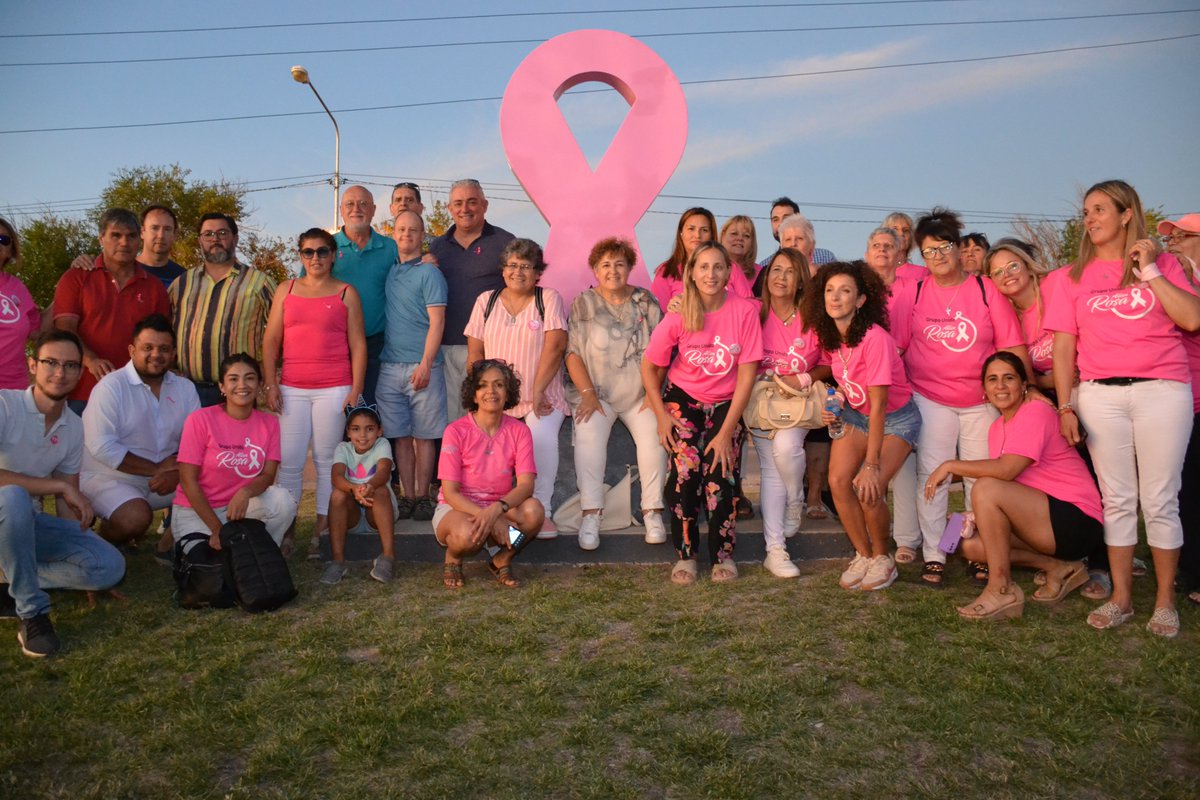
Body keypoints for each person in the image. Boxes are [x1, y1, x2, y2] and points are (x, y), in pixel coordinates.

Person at [1046, 180, 1200, 637]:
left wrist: (1148, 269)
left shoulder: (1166, 263)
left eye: (1099, 209)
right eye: (1087, 211)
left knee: (1159, 500)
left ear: (1126, 213)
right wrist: (1065, 406)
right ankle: (1122, 599)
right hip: (1099, 396)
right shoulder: (1072, 276)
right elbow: (1062, 349)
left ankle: (1165, 601)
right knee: (1117, 500)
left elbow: (1191, 319)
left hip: (1162, 391)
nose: (1089, 218)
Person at [925, 353, 1104, 620]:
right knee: (969, 545)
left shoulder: (1036, 411)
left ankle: (1001, 589)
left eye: (1009, 378)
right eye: (992, 380)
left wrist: (951, 466)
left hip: (1075, 520)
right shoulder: (997, 427)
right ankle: (1059, 568)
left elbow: (1005, 470)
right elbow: (1007, 474)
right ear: (984, 390)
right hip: (1040, 519)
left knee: (985, 489)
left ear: (1023, 385)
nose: (1000, 386)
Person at [905, 208, 1029, 589]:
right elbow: (896, 344)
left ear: (959, 248)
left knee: (980, 480)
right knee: (933, 478)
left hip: (980, 401)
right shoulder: (917, 290)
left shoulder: (984, 289)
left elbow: (1011, 345)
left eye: (944, 247)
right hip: (931, 397)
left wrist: (1028, 393)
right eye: (929, 250)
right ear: (921, 256)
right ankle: (937, 552)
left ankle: (977, 550)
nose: (938, 256)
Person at [0, 330, 126, 657]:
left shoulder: (73, 425)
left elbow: (66, 500)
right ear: (32, 365)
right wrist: (58, 485)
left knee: (110, 566)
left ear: (80, 372)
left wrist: (82, 547)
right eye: (51, 363)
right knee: (12, 497)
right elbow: (62, 488)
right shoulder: (4, 405)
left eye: (70, 365)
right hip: (6, 514)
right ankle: (31, 612)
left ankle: (14, 575)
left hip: (27, 526)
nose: (60, 373)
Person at [642, 242, 762, 584]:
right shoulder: (680, 313)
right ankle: (686, 555)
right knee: (685, 475)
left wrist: (726, 432)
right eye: (703, 267)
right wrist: (662, 414)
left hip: (727, 402)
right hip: (684, 399)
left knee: (720, 477)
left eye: (718, 267)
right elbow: (649, 367)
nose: (711, 274)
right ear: (691, 273)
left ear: (728, 272)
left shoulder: (744, 311)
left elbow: (748, 374)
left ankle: (723, 555)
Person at [808, 261, 920, 592]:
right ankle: (864, 554)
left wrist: (871, 465)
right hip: (858, 415)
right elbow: (850, 381)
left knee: (868, 487)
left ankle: (883, 557)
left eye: (845, 291)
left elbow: (881, 405)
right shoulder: (832, 336)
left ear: (860, 300)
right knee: (838, 480)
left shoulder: (875, 339)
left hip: (895, 419)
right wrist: (838, 401)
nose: (835, 297)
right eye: (829, 290)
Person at [262, 228, 367, 554]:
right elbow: (271, 341)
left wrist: (356, 389)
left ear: (334, 254)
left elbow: (358, 344)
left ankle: (321, 530)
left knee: (325, 462)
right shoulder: (286, 289)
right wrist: (270, 383)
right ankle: (287, 528)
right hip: (291, 387)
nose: (315, 258)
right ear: (300, 255)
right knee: (289, 462)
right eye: (308, 252)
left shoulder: (346, 292)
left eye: (322, 251)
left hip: (334, 388)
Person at [565, 237, 667, 550]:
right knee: (588, 435)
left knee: (654, 436)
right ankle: (591, 514)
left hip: (641, 394)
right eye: (606, 264)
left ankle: (652, 511)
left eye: (619, 264)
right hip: (598, 394)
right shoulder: (584, 303)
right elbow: (572, 354)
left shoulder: (646, 302)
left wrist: (653, 394)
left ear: (629, 267)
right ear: (595, 269)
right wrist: (588, 394)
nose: (613, 270)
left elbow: (662, 352)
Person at [464, 238, 567, 532]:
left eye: (525, 266)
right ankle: (494, 514)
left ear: (538, 272)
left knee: (539, 439)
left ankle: (541, 511)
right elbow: (475, 354)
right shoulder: (487, 301)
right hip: (496, 398)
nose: (517, 271)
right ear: (503, 269)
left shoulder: (547, 298)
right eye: (511, 265)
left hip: (542, 394)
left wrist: (537, 390)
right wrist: (479, 395)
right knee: (488, 446)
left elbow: (556, 346)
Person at [80, 314, 200, 545]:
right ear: (132, 350)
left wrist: (176, 473)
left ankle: (170, 546)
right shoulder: (111, 386)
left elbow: (196, 441)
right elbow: (101, 446)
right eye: (148, 347)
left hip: (163, 478)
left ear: (174, 353)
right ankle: (104, 541)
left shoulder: (185, 388)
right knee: (134, 518)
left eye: (164, 348)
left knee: (219, 480)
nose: (156, 354)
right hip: (109, 477)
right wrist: (156, 469)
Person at [751, 247, 829, 578]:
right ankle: (775, 550)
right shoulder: (752, 312)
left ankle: (796, 499)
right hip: (759, 404)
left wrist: (805, 376)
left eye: (789, 272)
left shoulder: (813, 318)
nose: (781, 277)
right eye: (775, 270)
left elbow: (828, 363)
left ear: (800, 280)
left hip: (798, 403)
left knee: (786, 449)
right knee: (771, 470)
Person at [433, 359, 544, 589]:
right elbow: (451, 493)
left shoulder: (520, 431)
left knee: (534, 512)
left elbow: (526, 486)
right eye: (483, 385)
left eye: (499, 385)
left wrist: (496, 511)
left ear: (508, 393)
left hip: (499, 507)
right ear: (473, 395)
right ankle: (453, 557)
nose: (491, 391)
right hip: (458, 508)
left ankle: (501, 559)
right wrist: (489, 519)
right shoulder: (455, 431)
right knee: (467, 536)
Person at [172, 353, 297, 557]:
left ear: (259, 385)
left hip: (239, 508)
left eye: (249, 378)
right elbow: (187, 481)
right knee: (213, 569)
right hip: (196, 512)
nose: (242, 385)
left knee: (282, 501)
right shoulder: (200, 420)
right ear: (222, 386)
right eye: (233, 379)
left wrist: (245, 492)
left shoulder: (269, 423)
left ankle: (264, 555)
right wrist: (217, 530)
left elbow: (267, 476)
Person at [53, 208, 171, 410]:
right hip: (82, 392)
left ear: (139, 239)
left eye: (131, 236)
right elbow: (64, 331)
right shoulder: (77, 277)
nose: (124, 243)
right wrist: (91, 360)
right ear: (101, 238)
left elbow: (161, 340)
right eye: (115, 235)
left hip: (135, 395)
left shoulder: (154, 286)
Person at [377, 210, 448, 523]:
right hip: (389, 366)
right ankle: (406, 495)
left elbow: (437, 321)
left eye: (413, 230)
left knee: (425, 436)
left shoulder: (430, 273)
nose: (407, 234)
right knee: (401, 436)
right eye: (402, 229)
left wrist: (426, 364)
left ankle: (422, 496)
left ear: (423, 237)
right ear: (394, 234)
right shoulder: (390, 271)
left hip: (422, 366)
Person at [170, 213, 277, 408]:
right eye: (208, 234)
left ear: (235, 238)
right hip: (185, 390)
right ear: (200, 241)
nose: (215, 239)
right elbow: (164, 330)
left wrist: (265, 370)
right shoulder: (182, 283)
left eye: (222, 233)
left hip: (237, 393)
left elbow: (286, 330)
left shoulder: (260, 283)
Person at [431, 179, 515, 421]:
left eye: (472, 202)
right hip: (446, 348)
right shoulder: (437, 247)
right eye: (458, 203)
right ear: (449, 208)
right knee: (452, 424)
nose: (464, 209)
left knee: (488, 421)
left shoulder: (505, 242)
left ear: (484, 205)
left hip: (490, 348)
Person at [862, 226, 921, 564]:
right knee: (869, 471)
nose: (882, 251)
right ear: (868, 253)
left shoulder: (913, 288)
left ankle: (907, 539)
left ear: (901, 255)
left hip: (905, 386)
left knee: (903, 468)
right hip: (865, 389)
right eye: (876, 246)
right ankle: (872, 536)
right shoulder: (860, 290)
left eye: (889, 246)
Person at [1157, 213, 1200, 606]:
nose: (1173, 243)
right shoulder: (1166, 275)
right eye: (1170, 238)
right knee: (1180, 490)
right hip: (1176, 400)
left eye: (1183, 237)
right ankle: (1188, 568)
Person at [330, 186, 398, 407]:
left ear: (373, 210)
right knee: (337, 414)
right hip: (335, 345)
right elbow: (307, 287)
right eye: (350, 204)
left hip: (377, 346)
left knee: (370, 412)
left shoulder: (390, 248)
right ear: (341, 209)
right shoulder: (326, 248)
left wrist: (426, 260)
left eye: (363, 204)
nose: (356, 209)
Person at [322, 405, 397, 585]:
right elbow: (336, 476)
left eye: (369, 429)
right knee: (338, 495)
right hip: (352, 514)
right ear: (348, 432)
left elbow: (384, 471)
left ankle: (388, 556)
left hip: (376, 512)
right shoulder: (343, 448)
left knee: (380, 489)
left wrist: (369, 485)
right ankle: (338, 561)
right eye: (356, 429)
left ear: (380, 431)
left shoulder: (382, 444)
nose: (362, 435)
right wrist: (354, 489)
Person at [985, 239, 1058, 392]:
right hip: (1050, 389)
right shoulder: (1005, 318)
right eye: (998, 272)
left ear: (1028, 266)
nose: (1007, 275)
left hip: (1092, 377)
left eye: (1013, 266)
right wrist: (1045, 381)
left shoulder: (1054, 287)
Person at [651, 207, 754, 313]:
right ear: (681, 233)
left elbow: (751, 307)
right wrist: (673, 308)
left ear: (711, 235)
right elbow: (656, 315)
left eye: (704, 230)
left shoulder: (730, 266)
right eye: (691, 229)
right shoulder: (666, 270)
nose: (697, 235)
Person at [65, 205, 186, 292]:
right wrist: (82, 265)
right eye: (154, 228)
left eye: (167, 229)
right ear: (142, 232)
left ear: (175, 234)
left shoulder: (184, 277)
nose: (160, 235)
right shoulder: (120, 270)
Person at [0, 217, 40, 390]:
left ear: (10, 251)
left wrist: (69, 282)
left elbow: (37, 331)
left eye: (3, 240)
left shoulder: (17, 288)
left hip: (14, 390)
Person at [759, 198, 836, 270]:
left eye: (786, 218)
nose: (780, 224)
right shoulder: (765, 266)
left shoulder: (825, 258)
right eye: (775, 220)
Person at [388, 182, 437, 250]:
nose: (403, 203)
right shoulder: (381, 247)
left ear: (420, 208)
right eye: (398, 200)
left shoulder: (437, 246)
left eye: (409, 200)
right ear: (391, 208)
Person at [883, 211, 927, 280]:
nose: (901, 234)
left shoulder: (923, 273)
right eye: (895, 229)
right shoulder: (873, 274)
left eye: (906, 230)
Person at [719, 215, 759, 282]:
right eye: (734, 233)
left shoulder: (761, 274)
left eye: (746, 236)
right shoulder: (711, 269)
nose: (740, 238)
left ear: (752, 242)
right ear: (723, 236)